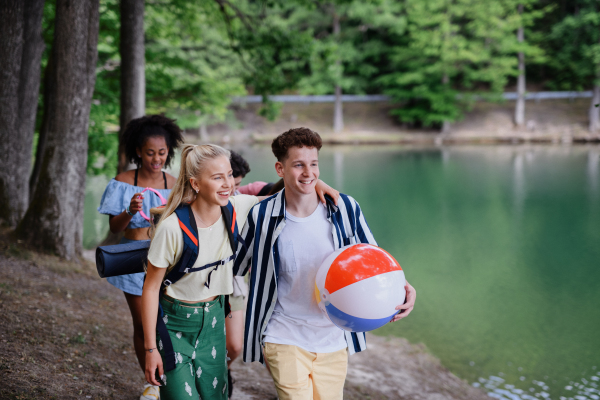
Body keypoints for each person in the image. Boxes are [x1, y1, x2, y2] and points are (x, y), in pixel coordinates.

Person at [140, 144, 339, 400]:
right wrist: (149, 349)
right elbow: (151, 288)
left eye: (229, 174)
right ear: (196, 184)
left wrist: (317, 183)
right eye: (217, 177)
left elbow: (289, 197)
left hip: (213, 321)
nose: (227, 184)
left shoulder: (238, 208)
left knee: (216, 396)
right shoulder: (171, 228)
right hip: (174, 323)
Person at [233, 127, 417, 400]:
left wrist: (403, 286)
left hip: (333, 336)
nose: (309, 173)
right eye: (298, 165)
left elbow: (373, 262)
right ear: (280, 169)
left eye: (314, 164)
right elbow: (235, 266)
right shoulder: (261, 215)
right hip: (283, 334)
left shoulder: (344, 208)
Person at [97, 114, 184, 400]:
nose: (156, 159)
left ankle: (173, 377)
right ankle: (152, 384)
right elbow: (114, 228)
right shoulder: (123, 182)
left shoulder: (175, 183)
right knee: (143, 324)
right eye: (150, 153)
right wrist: (131, 211)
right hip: (134, 263)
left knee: (168, 323)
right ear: (138, 151)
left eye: (162, 152)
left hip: (169, 263)